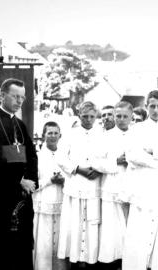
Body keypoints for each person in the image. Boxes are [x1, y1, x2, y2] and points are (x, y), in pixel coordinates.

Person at [0, 78, 38, 270]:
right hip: (0, 194)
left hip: (21, 195)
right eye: (15, 96)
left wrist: (31, 181)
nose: (20, 101)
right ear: (2, 96)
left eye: (23, 97)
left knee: (21, 245)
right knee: (0, 246)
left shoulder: (20, 124)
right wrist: (20, 180)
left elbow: (32, 155)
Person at [122, 90, 158, 270]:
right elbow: (132, 156)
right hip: (144, 185)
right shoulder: (136, 129)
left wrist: (153, 151)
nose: (155, 110)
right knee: (139, 231)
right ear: (146, 107)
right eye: (152, 106)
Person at [57, 101, 104, 268]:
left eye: (92, 116)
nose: (89, 120)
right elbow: (60, 158)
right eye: (85, 116)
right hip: (75, 184)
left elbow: (107, 157)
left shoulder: (102, 134)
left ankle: (91, 261)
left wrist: (100, 170)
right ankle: (75, 261)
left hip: (94, 186)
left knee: (92, 224)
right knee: (75, 225)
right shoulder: (70, 134)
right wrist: (78, 169)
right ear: (79, 116)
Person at [97, 101, 133, 269]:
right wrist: (116, 161)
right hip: (112, 185)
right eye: (118, 116)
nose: (121, 119)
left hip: (132, 187)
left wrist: (132, 161)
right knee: (112, 231)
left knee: (130, 228)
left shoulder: (137, 135)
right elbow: (97, 163)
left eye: (125, 116)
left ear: (131, 117)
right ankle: (112, 262)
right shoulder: (106, 136)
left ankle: (129, 261)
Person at [33, 121, 67, 270]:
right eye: (49, 133)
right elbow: (31, 184)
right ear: (43, 136)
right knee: (43, 243)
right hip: (43, 205)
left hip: (62, 205)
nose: (53, 136)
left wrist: (64, 181)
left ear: (60, 135)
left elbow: (73, 179)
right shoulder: (36, 157)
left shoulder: (65, 156)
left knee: (60, 242)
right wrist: (49, 181)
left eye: (55, 133)